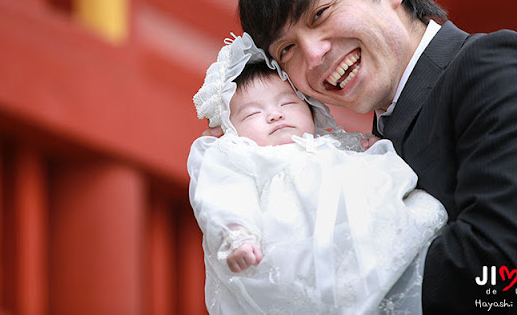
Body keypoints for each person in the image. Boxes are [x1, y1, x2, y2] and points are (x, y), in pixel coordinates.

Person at [230, 0, 517, 313]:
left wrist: (340, 291)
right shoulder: (371, 147)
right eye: (287, 50)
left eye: (320, 13)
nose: (313, 54)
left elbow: (503, 257)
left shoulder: (494, 66)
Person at [188, 33, 447, 314]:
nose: (275, 115)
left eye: (287, 104)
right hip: (297, 256)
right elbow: (226, 193)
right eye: (252, 114)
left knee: (423, 212)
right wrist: (238, 234)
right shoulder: (244, 157)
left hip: (357, 240)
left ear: (312, 113)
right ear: (230, 131)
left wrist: (369, 153)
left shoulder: (331, 149)